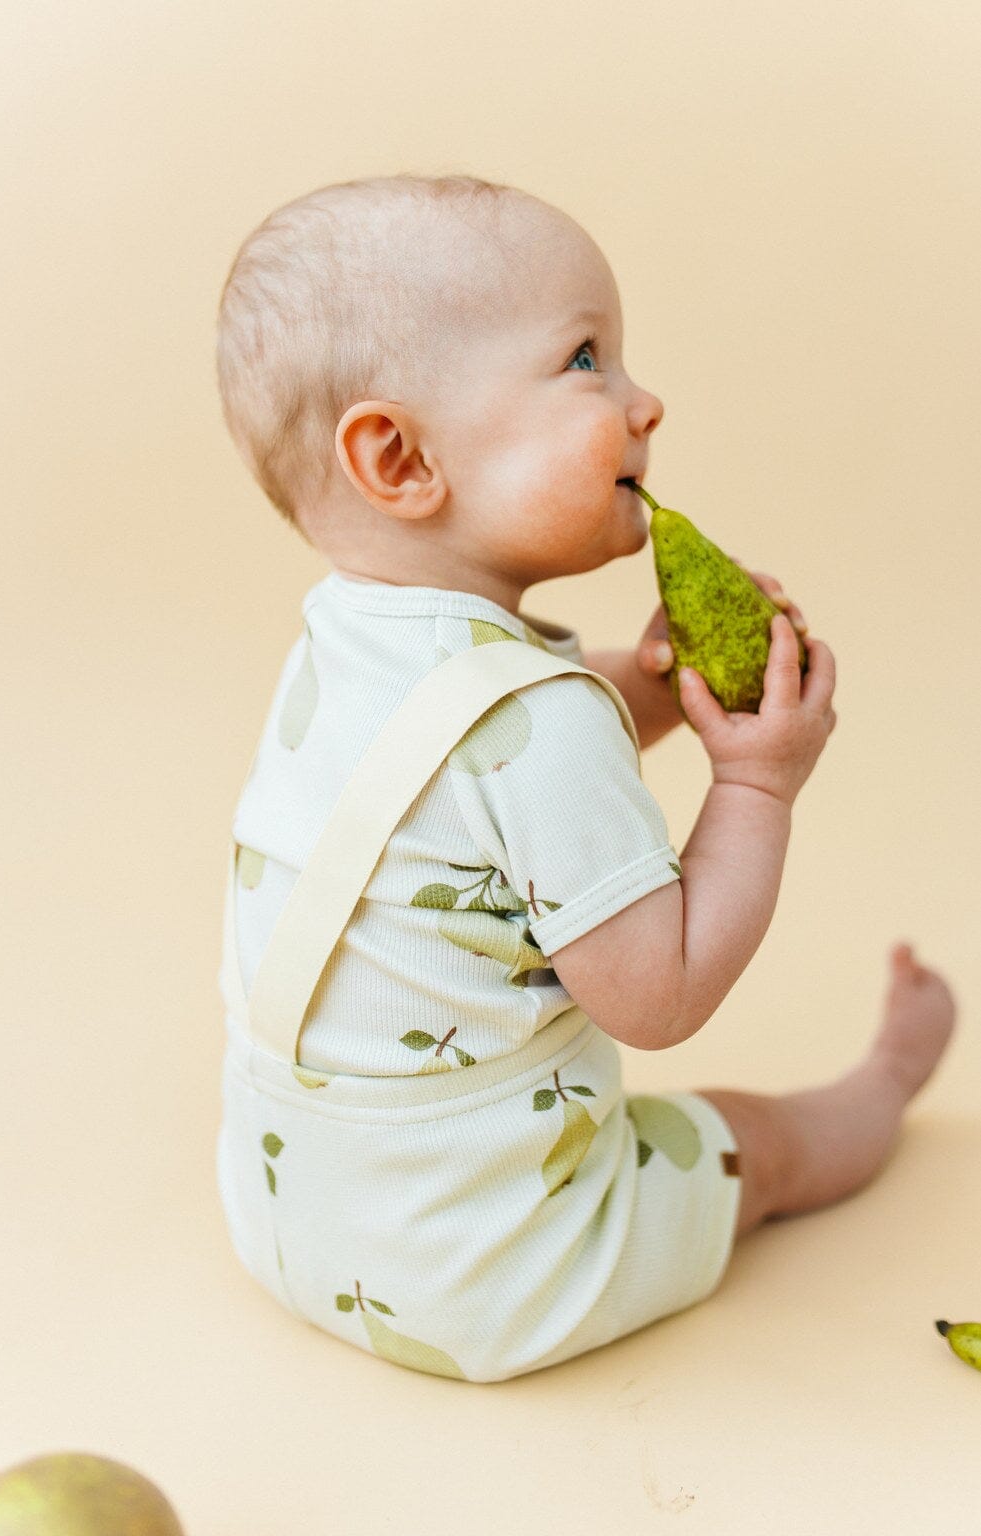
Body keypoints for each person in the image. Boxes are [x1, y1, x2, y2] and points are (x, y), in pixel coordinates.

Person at [212, 173, 956, 1383]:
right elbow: (653, 999)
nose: (641, 399)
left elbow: (454, 788)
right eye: (583, 361)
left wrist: (653, 692)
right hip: (496, 1276)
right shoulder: (547, 727)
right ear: (399, 457)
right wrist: (756, 785)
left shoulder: (342, 639)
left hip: (295, 1222)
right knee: (751, 1145)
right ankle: (882, 1082)